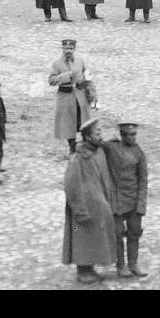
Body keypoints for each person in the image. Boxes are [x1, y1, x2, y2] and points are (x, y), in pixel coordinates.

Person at [61, 118, 118, 284]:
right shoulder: (78, 159)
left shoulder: (98, 152)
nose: (100, 135)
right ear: (87, 137)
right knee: (83, 238)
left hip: (98, 205)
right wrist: (79, 209)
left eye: (101, 131)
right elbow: (71, 185)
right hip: (84, 206)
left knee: (94, 238)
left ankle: (90, 267)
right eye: (97, 132)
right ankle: (83, 270)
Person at [102, 118, 150, 279]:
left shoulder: (139, 153)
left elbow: (143, 181)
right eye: (129, 135)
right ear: (122, 135)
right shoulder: (111, 147)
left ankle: (133, 264)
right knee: (117, 234)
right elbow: (96, 147)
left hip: (133, 200)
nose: (132, 137)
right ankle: (120, 265)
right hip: (115, 201)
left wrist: (141, 206)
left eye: (134, 134)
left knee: (134, 233)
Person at [50, 39, 96, 153]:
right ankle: (72, 147)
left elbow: (88, 77)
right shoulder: (56, 64)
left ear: (74, 49)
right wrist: (66, 76)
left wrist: (93, 93)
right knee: (68, 124)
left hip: (80, 96)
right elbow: (51, 80)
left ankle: (86, 144)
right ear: (62, 49)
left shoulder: (80, 61)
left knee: (84, 122)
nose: (68, 51)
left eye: (70, 49)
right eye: (66, 49)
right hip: (66, 97)